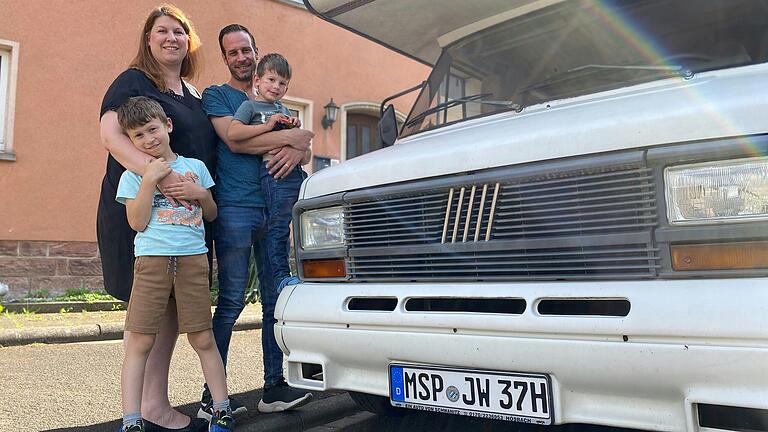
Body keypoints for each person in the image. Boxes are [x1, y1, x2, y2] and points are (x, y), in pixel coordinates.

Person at [97, 5, 216, 432]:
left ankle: (153, 401)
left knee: (169, 310)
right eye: (161, 31)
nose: (171, 38)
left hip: (186, 220)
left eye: (179, 31)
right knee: (146, 312)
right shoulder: (133, 81)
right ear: (148, 40)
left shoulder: (194, 94)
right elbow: (111, 135)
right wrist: (158, 179)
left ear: (190, 40)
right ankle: (145, 405)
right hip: (141, 210)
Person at [199, 24, 313, 417]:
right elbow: (235, 140)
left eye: (246, 50)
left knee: (273, 301)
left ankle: (273, 388)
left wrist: (300, 148)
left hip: (273, 209)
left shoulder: (273, 97)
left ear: (256, 51)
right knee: (230, 301)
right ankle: (211, 397)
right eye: (233, 52)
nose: (241, 57)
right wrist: (293, 140)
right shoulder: (217, 95)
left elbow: (305, 149)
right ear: (225, 58)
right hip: (236, 208)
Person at [115, 97, 233, 432]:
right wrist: (149, 179)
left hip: (193, 260)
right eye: (138, 135)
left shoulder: (195, 167)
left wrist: (200, 193)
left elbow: (210, 213)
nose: (148, 139)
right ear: (131, 141)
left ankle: (222, 410)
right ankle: (131, 420)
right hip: (152, 261)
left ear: (167, 125)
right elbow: (136, 223)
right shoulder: (133, 176)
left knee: (202, 338)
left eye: (152, 129)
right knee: (139, 342)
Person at [227, 53, 309, 294]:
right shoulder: (249, 106)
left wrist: (295, 135)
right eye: (271, 80)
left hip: (295, 172)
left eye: (282, 83)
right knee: (278, 227)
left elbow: (304, 151)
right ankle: (282, 275)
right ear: (257, 80)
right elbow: (233, 133)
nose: (276, 86)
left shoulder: (284, 108)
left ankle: (304, 272)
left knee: (302, 224)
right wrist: (269, 126)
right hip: (273, 175)